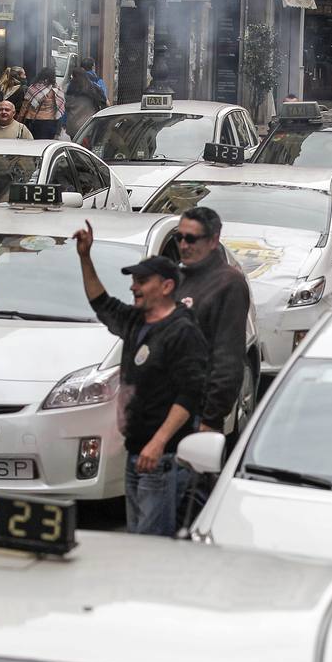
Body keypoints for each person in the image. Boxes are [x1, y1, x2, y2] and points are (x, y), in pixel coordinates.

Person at [73, 221, 207, 536]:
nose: (134, 287)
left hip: (161, 459)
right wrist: (85, 258)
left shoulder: (182, 332)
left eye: (142, 281)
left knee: (152, 545)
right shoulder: (136, 321)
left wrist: (158, 443)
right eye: (134, 281)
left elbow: (190, 394)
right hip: (137, 453)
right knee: (137, 542)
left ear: (167, 286)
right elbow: (101, 303)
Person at [171, 207, 250, 435]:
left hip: (197, 416)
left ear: (213, 240)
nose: (183, 245)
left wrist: (211, 418)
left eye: (191, 239)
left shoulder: (228, 284)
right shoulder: (178, 277)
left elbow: (228, 358)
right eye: (179, 237)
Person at [18, 67, 66, 140]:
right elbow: (60, 107)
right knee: (46, 143)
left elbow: (25, 106)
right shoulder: (57, 90)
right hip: (50, 122)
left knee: (32, 142)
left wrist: (19, 120)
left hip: (33, 120)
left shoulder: (33, 88)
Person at [64, 64, 107, 139]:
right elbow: (103, 102)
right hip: (88, 126)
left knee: (75, 143)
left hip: (73, 126)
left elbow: (66, 107)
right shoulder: (93, 89)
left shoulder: (70, 89)